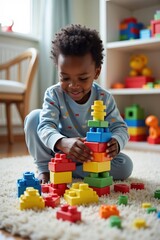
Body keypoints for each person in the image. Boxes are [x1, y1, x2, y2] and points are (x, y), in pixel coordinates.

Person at [24, 24, 133, 184]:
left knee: (125, 166)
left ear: (96, 72)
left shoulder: (104, 97)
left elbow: (120, 128)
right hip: (60, 151)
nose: (73, 86)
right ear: (58, 69)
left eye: (82, 79)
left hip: (91, 157)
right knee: (34, 117)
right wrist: (62, 142)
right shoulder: (54, 94)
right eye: (65, 78)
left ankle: (67, 169)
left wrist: (116, 142)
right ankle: (45, 168)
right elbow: (46, 126)